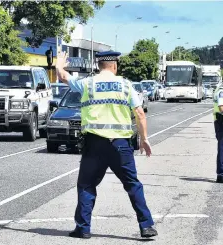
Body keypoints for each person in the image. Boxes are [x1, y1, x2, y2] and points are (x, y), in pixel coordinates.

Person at [55, 50, 158, 239]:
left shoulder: (88, 83)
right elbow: (140, 113)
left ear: (98, 66)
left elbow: (62, 76)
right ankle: (146, 226)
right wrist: (144, 139)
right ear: (115, 66)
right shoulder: (126, 85)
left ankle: (83, 228)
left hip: (94, 144)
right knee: (133, 184)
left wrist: (59, 63)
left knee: (86, 185)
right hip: (120, 145)